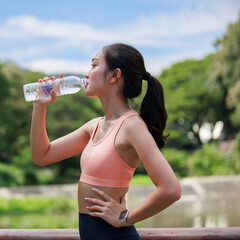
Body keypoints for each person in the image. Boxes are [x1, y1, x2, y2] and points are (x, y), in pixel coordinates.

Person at [30, 43, 181, 240]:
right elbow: (42, 155)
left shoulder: (132, 126)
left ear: (114, 76)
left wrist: (125, 217)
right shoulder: (94, 126)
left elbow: (171, 189)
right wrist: (39, 107)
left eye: (93, 66)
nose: (86, 74)